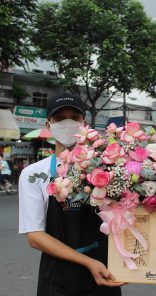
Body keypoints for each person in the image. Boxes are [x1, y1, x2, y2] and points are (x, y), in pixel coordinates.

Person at [19, 92, 124, 296]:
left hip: (105, 274)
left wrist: (147, 254)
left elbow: (123, 217)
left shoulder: (108, 168)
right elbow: (34, 236)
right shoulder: (33, 175)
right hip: (58, 280)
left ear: (84, 124)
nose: (67, 123)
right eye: (59, 118)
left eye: (74, 118)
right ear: (49, 125)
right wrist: (87, 262)